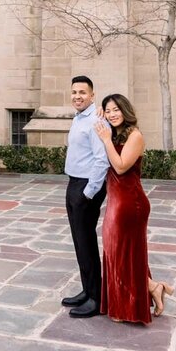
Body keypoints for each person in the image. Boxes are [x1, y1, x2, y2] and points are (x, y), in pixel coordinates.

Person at [94, 93, 174, 324]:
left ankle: (130, 306)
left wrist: (107, 139)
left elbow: (119, 168)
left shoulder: (135, 136)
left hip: (131, 205)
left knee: (126, 255)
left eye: (116, 109)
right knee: (116, 254)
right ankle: (154, 287)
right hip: (114, 204)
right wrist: (99, 114)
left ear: (126, 111)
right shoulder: (115, 135)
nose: (112, 114)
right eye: (108, 110)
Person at [61, 75, 110, 319]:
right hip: (73, 182)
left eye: (82, 92)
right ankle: (87, 290)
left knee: (86, 241)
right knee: (79, 242)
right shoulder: (79, 118)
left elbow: (102, 160)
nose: (77, 96)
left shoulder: (96, 121)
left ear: (92, 95)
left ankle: (96, 298)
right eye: (74, 92)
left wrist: (88, 193)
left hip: (86, 187)